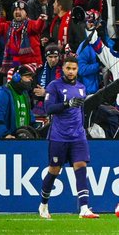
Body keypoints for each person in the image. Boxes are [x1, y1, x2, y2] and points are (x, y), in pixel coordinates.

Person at [39, 54, 98, 219]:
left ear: (78, 70)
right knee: (54, 170)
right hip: (59, 136)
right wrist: (67, 104)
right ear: (63, 69)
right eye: (68, 68)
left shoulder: (81, 87)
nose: (71, 72)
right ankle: (43, 204)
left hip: (78, 136)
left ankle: (84, 208)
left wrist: (83, 128)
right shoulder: (54, 86)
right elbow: (49, 108)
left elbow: (81, 110)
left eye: (74, 69)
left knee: (81, 166)